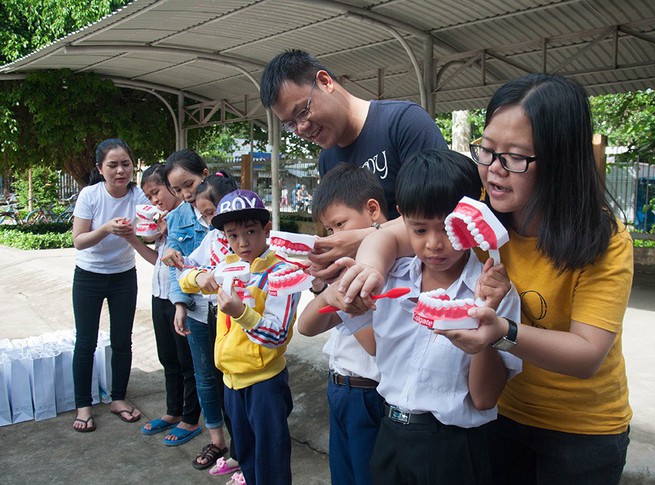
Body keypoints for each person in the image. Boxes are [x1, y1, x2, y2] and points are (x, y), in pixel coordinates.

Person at [338, 73, 634, 484]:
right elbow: (394, 233)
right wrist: (369, 266)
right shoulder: (476, 212)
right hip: (498, 415)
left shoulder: (602, 239)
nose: (494, 171)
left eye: (515, 157)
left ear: (560, 159)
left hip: (579, 432)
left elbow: (586, 355)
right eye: (488, 151)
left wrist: (501, 334)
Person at [306, 150, 522, 484]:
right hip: (389, 433)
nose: (435, 244)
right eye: (419, 230)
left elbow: (483, 398)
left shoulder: (493, 292)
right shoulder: (392, 278)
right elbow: (308, 325)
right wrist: (337, 291)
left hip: (453, 447)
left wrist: (486, 323)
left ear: (470, 218)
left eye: (448, 229)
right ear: (402, 219)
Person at [259, 49, 448, 278]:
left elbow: (441, 216)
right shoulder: (328, 160)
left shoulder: (404, 123)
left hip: (427, 285)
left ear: (325, 81)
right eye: (290, 124)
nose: (301, 128)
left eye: (302, 112)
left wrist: (364, 238)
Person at [179, 189, 301, 485]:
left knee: (271, 459)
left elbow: (278, 334)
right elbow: (187, 276)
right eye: (233, 235)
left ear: (267, 229)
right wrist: (199, 277)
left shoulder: (281, 273)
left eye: (250, 232)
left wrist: (240, 312)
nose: (243, 243)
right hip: (231, 381)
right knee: (245, 456)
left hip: (265, 383)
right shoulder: (228, 267)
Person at [297, 163, 387, 485]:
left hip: (369, 394)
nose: (334, 238)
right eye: (329, 230)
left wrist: (346, 304)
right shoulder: (345, 270)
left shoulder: (387, 270)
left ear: (373, 211)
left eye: (339, 225)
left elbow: (375, 346)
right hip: (339, 387)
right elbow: (305, 327)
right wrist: (325, 292)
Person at [161, 152, 237, 469]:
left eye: (188, 185)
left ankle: (243, 440)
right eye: (177, 190)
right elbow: (183, 265)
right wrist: (180, 302)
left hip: (231, 310)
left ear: (204, 175)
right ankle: (217, 440)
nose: (185, 194)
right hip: (197, 310)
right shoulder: (179, 216)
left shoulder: (231, 205)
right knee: (205, 375)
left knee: (234, 375)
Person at [70, 138, 150, 432]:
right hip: (89, 275)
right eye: (113, 165)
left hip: (123, 276)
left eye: (126, 164)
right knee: (86, 341)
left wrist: (151, 228)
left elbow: (150, 230)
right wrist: (105, 228)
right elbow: (79, 241)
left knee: (122, 340)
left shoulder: (138, 196)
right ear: (100, 168)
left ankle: (118, 399)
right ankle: (83, 405)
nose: (120, 171)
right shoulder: (90, 195)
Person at [138, 164, 203, 446]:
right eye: (149, 196)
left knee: (187, 362)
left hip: (184, 299)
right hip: (160, 293)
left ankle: (191, 418)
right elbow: (157, 257)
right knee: (168, 358)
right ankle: (173, 411)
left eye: (157, 192)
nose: (155, 200)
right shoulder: (161, 221)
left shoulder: (189, 218)